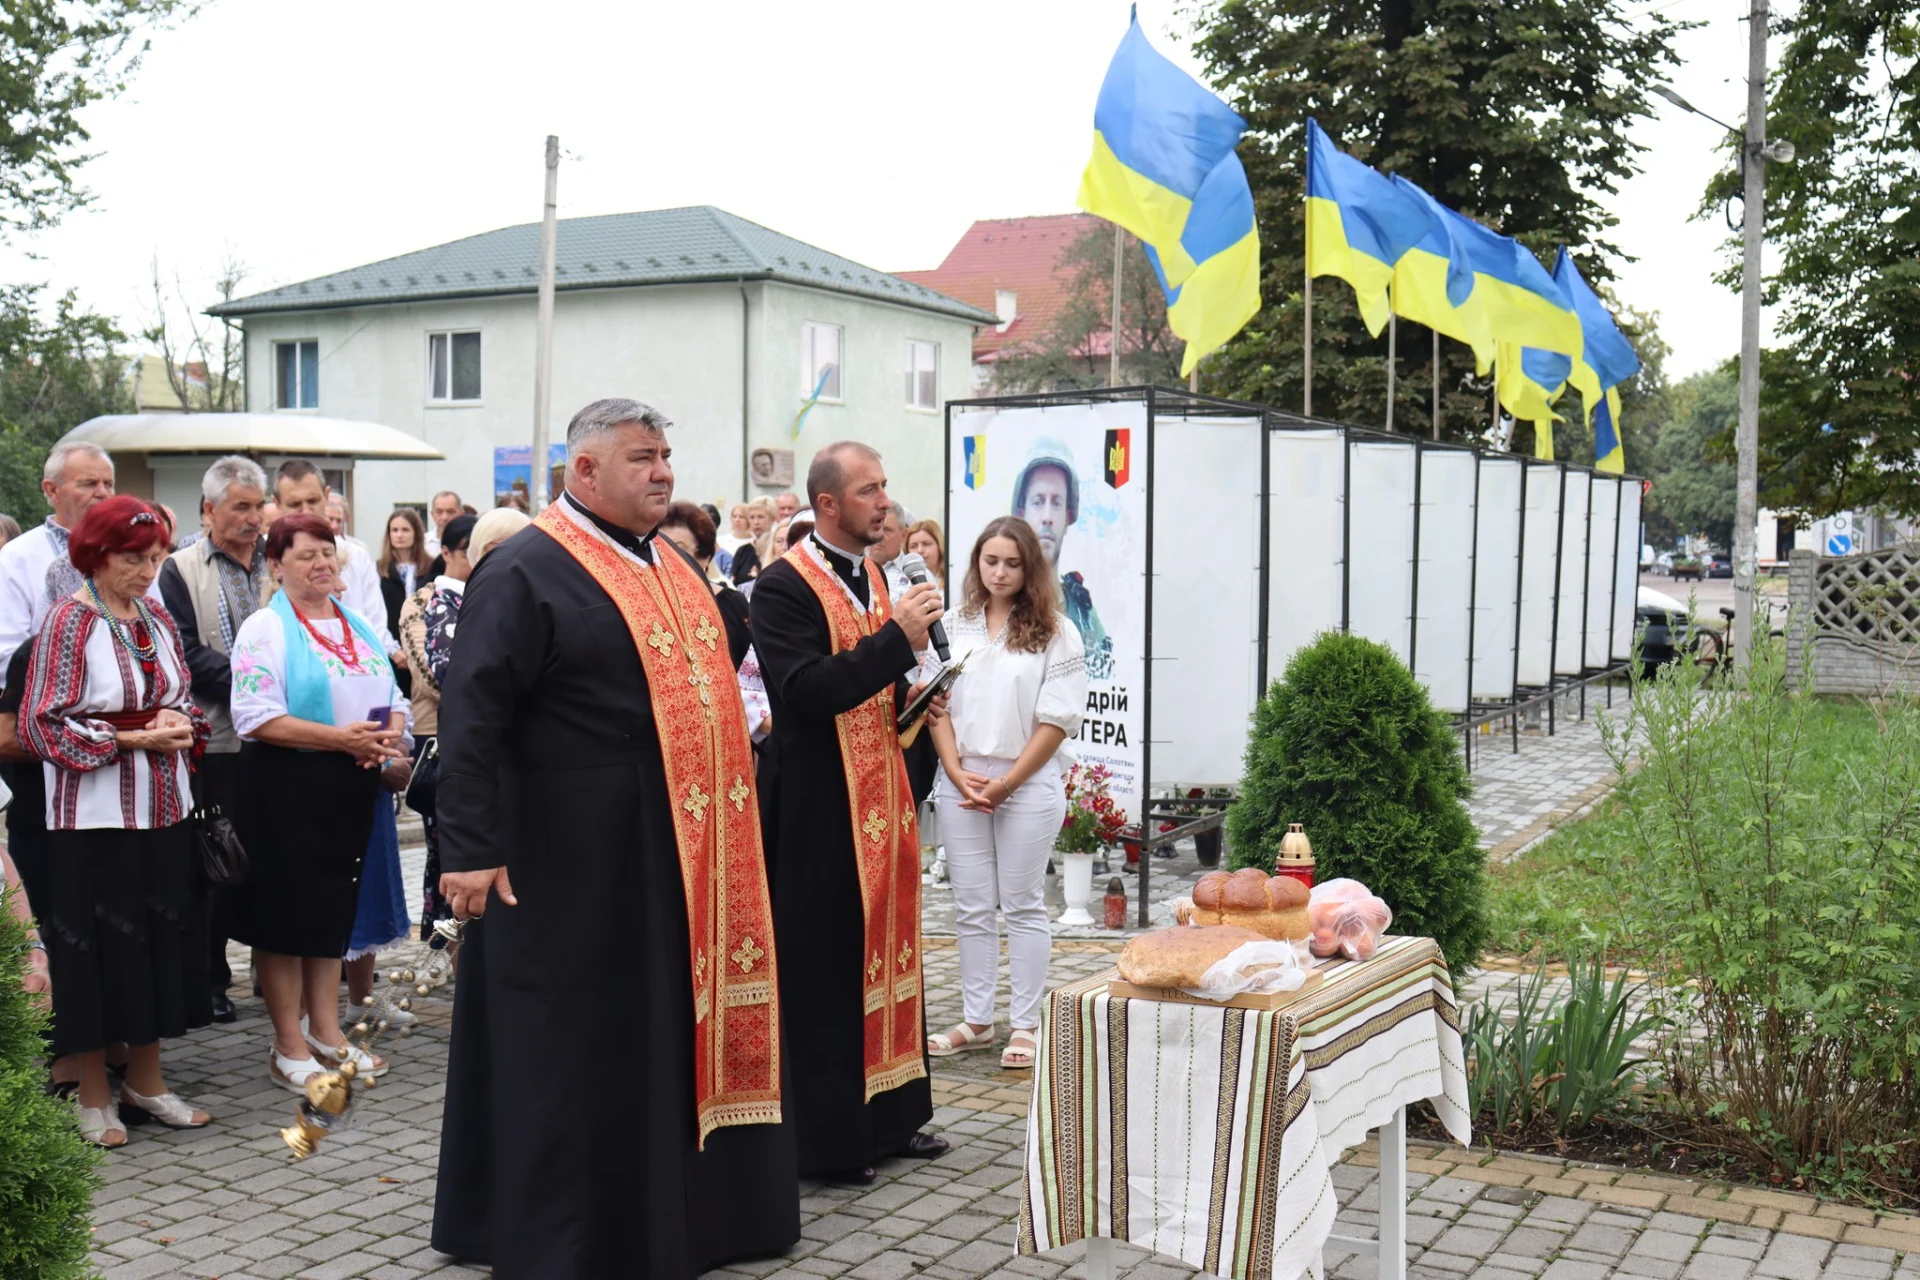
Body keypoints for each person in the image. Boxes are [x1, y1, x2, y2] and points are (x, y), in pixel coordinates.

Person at [430, 398, 795, 1278]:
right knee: (574, 1045)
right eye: (642, 457)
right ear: (583, 471)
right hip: (567, 855)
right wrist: (468, 849)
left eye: (666, 453)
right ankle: (572, 1232)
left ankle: (688, 1215)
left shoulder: (668, 562)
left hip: (678, 852)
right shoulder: (524, 568)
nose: (662, 471)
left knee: (658, 1032)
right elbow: (473, 717)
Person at [750, 440, 950, 1184]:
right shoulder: (780, 587)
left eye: (886, 487)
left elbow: (872, 686)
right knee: (828, 968)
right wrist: (898, 641)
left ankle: (894, 1118)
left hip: (882, 793)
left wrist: (920, 688)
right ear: (827, 505)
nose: (885, 503)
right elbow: (805, 692)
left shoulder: (874, 573)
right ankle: (833, 1140)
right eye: (869, 491)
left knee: (889, 954)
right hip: (817, 807)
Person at [21, 495, 213, 1147]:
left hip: (163, 809)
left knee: (158, 943)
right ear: (96, 556)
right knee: (95, 950)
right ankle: (94, 1094)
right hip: (91, 820)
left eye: (156, 558)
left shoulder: (156, 615)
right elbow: (39, 724)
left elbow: (185, 697)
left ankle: (147, 1081)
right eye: (133, 559)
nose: (146, 571)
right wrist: (128, 741)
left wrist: (178, 722)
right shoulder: (66, 623)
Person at [224, 513, 405, 1091]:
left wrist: (386, 734)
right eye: (306, 555)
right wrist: (342, 740)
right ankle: (287, 1042)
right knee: (285, 919)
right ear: (275, 566)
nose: (322, 563)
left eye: (328, 552)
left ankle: (328, 1031)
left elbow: (393, 694)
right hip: (286, 788)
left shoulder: (356, 624)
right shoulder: (265, 628)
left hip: (348, 787)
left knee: (332, 913)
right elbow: (254, 717)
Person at [926, 517, 1086, 1069]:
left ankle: (1026, 1023)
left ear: (1029, 568)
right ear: (976, 564)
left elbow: (1057, 719)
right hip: (961, 778)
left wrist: (1008, 783)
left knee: (1022, 905)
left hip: (1027, 782)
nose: (999, 572)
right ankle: (976, 1020)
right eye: (990, 561)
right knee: (970, 907)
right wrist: (953, 768)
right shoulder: (954, 623)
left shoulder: (1056, 630)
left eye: (1011, 563)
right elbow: (935, 705)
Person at [156, 455, 274, 1025]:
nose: (253, 519)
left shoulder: (278, 561)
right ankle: (211, 977)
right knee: (218, 859)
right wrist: (258, 685)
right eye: (240, 508)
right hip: (220, 737)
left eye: (258, 507)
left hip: (279, 740)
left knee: (270, 857)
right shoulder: (179, 569)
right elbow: (179, 648)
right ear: (208, 510)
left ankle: (270, 974)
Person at [0, 441, 121, 943]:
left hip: (118, 748)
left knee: (110, 889)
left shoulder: (126, 556)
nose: (101, 493)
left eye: (108, 484)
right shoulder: (18, 559)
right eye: (87, 483)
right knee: (49, 883)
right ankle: (51, 1003)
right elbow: (7, 659)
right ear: (51, 490)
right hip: (41, 748)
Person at [397, 511, 476, 946]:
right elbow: (431, 674)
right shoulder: (423, 602)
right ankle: (439, 933)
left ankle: (455, 935)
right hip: (436, 733)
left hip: (479, 730)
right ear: (445, 551)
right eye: (467, 551)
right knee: (442, 842)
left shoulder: (490, 592)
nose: (476, 559)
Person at [1013, 440, 1113, 677]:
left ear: (1068, 517)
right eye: (1038, 502)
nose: (1047, 517)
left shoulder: (1082, 612)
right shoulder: (998, 601)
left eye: (1056, 503)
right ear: (1021, 513)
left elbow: (1104, 680)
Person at [275, 462, 387, 635]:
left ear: (326, 495)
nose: (305, 511)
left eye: (313, 501)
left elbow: (376, 623)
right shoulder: (264, 553)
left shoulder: (356, 555)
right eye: (294, 504)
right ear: (277, 503)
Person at [658, 502, 752, 667]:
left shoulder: (730, 604)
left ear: (705, 557)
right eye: (660, 548)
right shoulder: (647, 603)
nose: (668, 557)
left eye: (679, 549)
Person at [378, 508, 432, 697]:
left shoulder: (432, 567)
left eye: (405, 530)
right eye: (394, 530)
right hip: (390, 652)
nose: (399, 535)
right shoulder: (378, 570)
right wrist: (393, 650)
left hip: (425, 653)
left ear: (416, 533)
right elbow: (374, 614)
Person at [730, 496, 776, 585]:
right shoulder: (743, 551)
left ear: (772, 519)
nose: (756, 522)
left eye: (760, 517)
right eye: (752, 517)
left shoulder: (777, 547)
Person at [875, 503, 914, 601]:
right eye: (875, 528)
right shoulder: (852, 570)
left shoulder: (917, 575)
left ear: (903, 535)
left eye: (887, 530)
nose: (879, 535)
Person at [425, 490, 464, 557]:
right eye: (439, 512)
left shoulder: (469, 542)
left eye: (450, 512)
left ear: (461, 513)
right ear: (432, 514)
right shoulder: (422, 543)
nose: (444, 518)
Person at [907, 519, 947, 583]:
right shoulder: (901, 582)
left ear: (939, 546)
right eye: (913, 546)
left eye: (926, 544)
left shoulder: (951, 580)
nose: (920, 550)